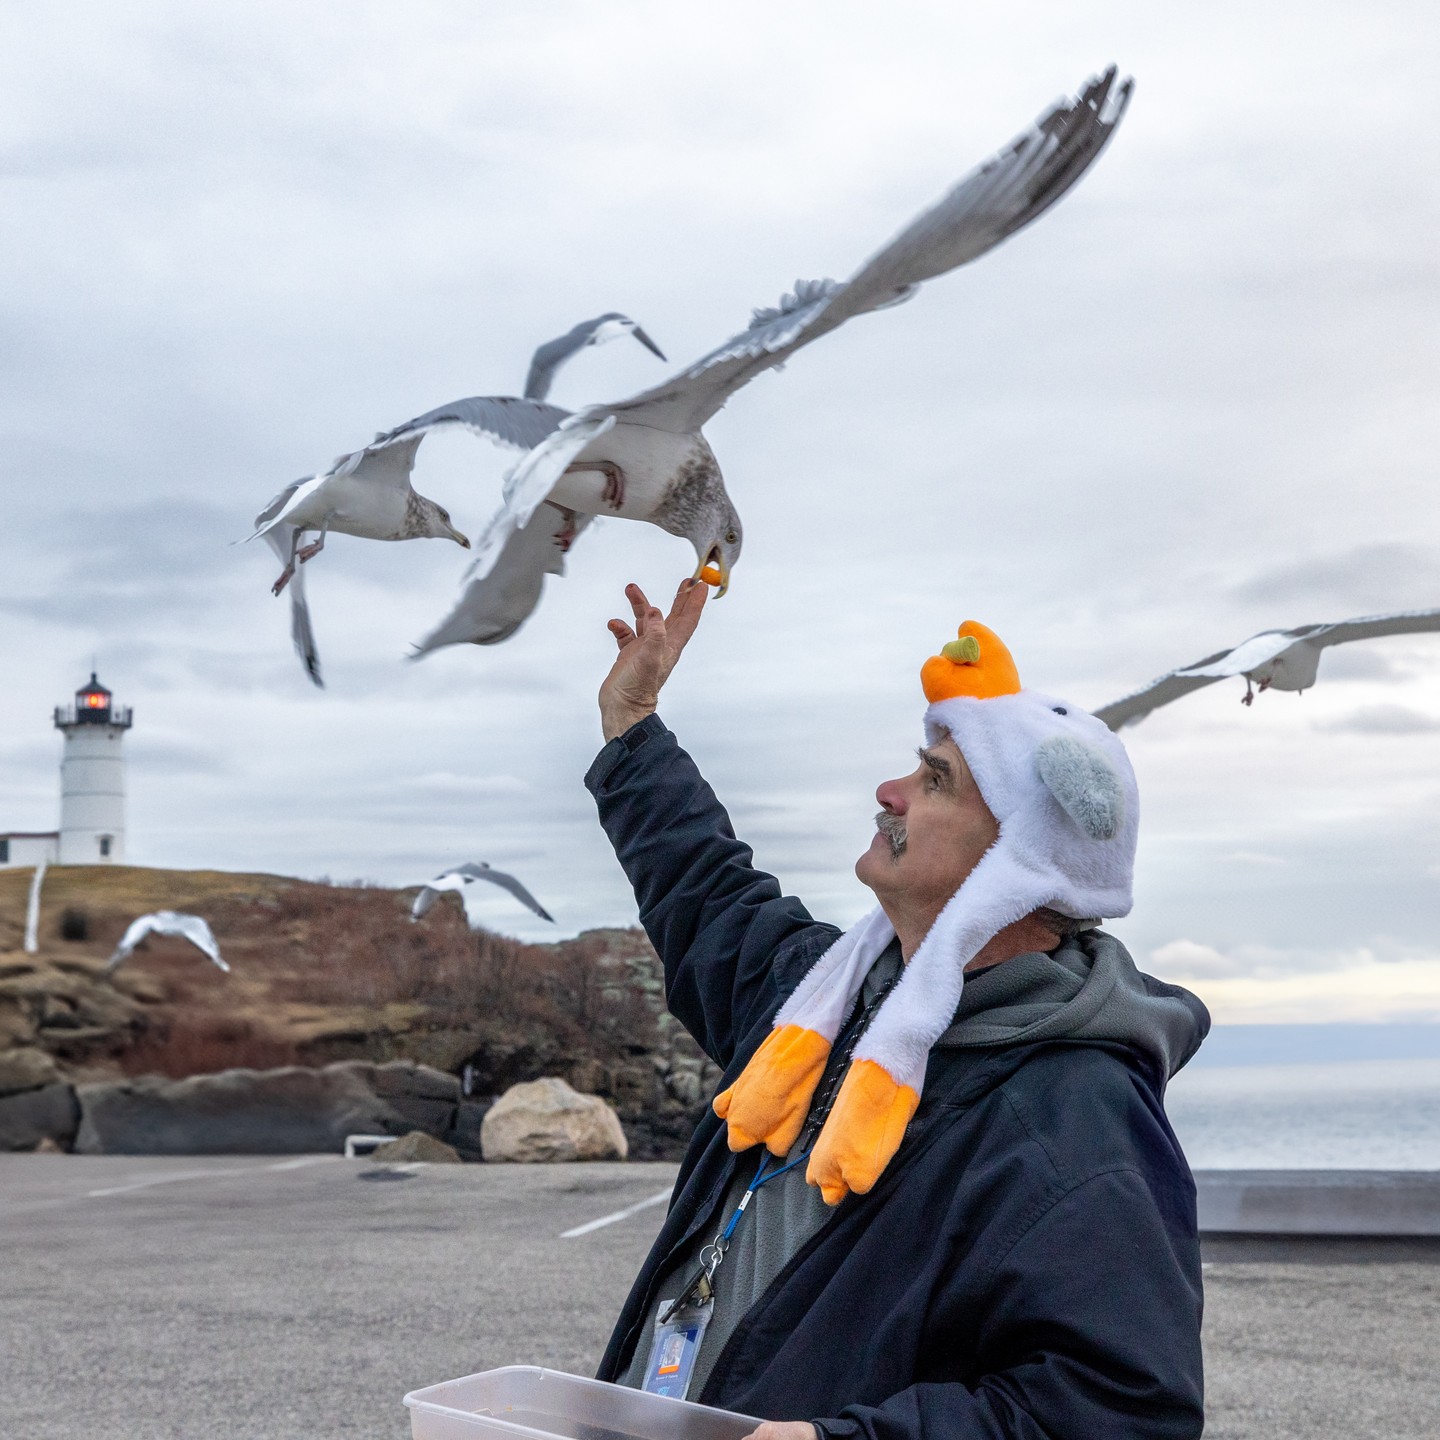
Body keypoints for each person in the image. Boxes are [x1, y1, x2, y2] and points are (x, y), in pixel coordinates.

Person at [585, 579, 1209, 1440]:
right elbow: (704, 888)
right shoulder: (819, 1002)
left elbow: (1117, 1409)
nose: (889, 789)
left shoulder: (1072, 1113)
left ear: (1017, 864)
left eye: (935, 781)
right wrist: (634, 720)